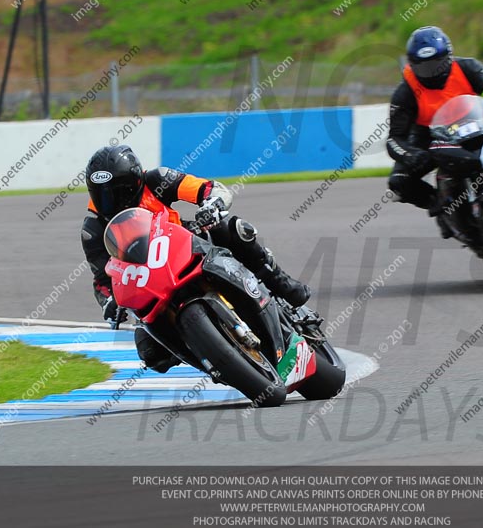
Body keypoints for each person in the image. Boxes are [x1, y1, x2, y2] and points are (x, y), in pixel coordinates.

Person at [80, 145, 310, 373]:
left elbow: (207, 188)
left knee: (229, 229)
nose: (112, 200)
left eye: (120, 191)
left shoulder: (158, 180)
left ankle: (281, 283)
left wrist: (213, 203)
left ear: (137, 181)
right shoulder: (93, 229)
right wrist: (110, 302)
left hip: (187, 248)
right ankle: (212, 359)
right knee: (151, 353)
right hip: (150, 284)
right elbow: (102, 281)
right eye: (102, 194)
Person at [386, 25, 483, 242]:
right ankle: (441, 206)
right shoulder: (405, 92)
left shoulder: (469, 67)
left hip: (477, 119)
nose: (432, 72)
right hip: (430, 135)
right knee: (399, 181)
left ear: (448, 58)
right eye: (424, 67)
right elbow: (395, 138)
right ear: (412, 65)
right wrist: (411, 154)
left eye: (436, 64)